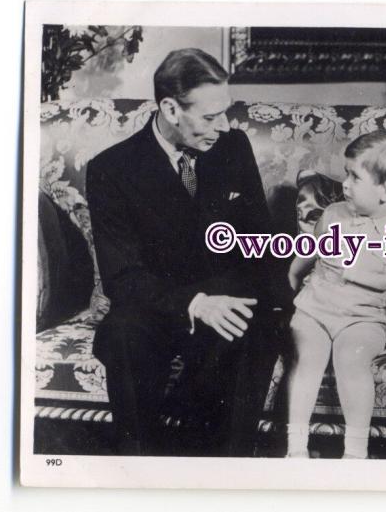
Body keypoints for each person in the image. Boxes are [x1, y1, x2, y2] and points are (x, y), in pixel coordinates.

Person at [86, 48, 282, 455]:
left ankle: (225, 474)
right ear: (171, 109)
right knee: (123, 334)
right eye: (210, 117)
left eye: (225, 112)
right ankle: (139, 471)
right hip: (157, 306)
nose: (223, 126)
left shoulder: (232, 147)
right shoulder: (111, 169)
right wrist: (195, 303)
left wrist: (253, 301)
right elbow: (123, 277)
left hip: (227, 296)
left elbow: (259, 242)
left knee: (254, 330)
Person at [286, 130, 386, 459]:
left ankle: (355, 453)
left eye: (354, 177)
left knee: (352, 360)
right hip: (316, 308)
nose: (345, 183)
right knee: (309, 359)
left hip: (363, 317)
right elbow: (310, 250)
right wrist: (292, 273)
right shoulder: (333, 214)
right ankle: (295, 450)